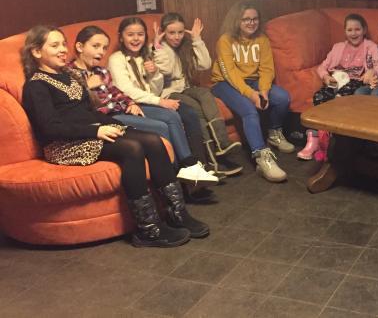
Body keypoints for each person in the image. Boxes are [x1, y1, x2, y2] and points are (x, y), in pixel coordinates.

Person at [21, 25, 209, 247]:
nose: (63, 49)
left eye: (63, 44)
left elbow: (88, 112)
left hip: (90, 132)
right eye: (54, 45)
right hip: (64, 145)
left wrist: (119, 126)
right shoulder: (36, 86)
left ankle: (178, 214)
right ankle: (147, 229)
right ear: (36, 51)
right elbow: (49, 128)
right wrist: (96, 131)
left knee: (152, 140)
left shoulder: (69, 76)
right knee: (132, 148)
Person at [107, 17, 217, 186]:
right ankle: (184, 169)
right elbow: (126, 89)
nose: (136, 39)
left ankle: (190, 167)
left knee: (175, 115)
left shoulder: (146, 56)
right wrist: (159, 101)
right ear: (121, 37)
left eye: (140, 34)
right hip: (128, 105)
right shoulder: (116, 59)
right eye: (130, 35)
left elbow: (155, 89)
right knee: (166, 121)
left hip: (146, 102)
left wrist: (155, 73)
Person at [210, 2, 293, 182]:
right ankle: (261, 157)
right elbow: (230, 73)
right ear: (236, 20)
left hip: (253, 81)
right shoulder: (225, 40)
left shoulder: (262, 39)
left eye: (255, 19)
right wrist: (252, 95)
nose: (251, 23)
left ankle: (274, 133)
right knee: (249, 110)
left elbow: (267, 69)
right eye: (246, 19)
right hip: (224, 82)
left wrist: (264, 91)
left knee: (282, 98)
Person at [153, 13, 242, 177]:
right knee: (195, 108)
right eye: (171, 33)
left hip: (186, 88)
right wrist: (158, 47)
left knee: (205, 94)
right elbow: (166, 70)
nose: (177, 37)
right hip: (168, 93)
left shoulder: (185, 46)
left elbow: (205, 64)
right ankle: (212, 160)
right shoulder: (159, 49)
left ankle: (222, 143)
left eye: (180, 32)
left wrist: (197, 40)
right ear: (163, 32)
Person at [298, 13, 378, 160]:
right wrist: (326, 77)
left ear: (364, 30)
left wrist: (371, 72)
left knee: (340, 99)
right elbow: (322, 67)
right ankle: (314, 138)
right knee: (319, 96)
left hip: (356, 80)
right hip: (336, 79)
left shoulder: (371, 47)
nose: (353, 33)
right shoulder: (337, 47)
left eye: (357, 29)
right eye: (349, 30)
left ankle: (329, 139)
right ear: (345, 31)